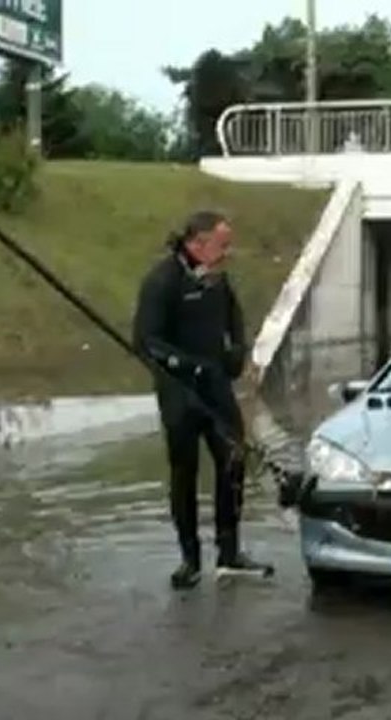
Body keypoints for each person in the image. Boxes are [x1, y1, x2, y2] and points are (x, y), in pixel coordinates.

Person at [132, 210, 273, 589]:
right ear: (197, 242)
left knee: (233, 461)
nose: (228, 252)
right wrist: (187, 368)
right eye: (222, 244)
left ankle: (229, 554)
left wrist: (237, 352)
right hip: (179, 391)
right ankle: (189, 559)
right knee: (185, 472)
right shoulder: (162, 281)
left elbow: (234, 317)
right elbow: (145, 341)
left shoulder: (216, 278)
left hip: (216, 387)